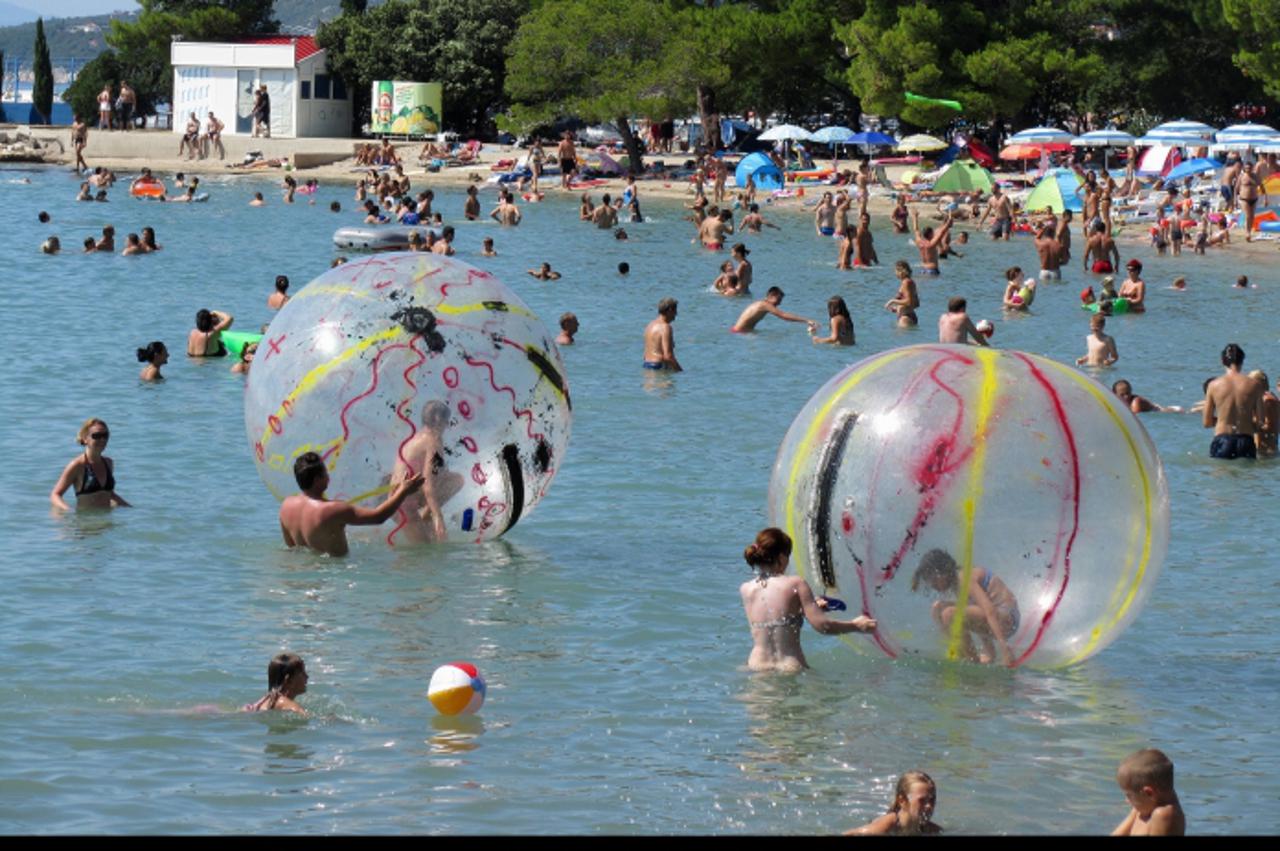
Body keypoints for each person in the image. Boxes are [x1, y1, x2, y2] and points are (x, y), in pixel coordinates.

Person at [739, 527, 876, 672]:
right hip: (789, 667)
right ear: (781, 557)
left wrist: (803, 608)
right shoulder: (795, 583)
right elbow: (823, 626)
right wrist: (856, 625)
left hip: (756, 666)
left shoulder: (746, 589)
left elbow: (772, 619)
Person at [279, 452, 424, 557]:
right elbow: (378, 517)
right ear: (318, 480)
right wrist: (404, 491)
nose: (328, 476)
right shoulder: (332, 510)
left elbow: (292, 549)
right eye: (325, 472)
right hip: (335, 578)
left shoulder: (286, 506)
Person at [911, 548, 1019, 666]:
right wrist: (990, 653)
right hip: (996, 617)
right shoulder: (956, 582)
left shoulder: (963, 578)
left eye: (934, 580)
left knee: (950, 614)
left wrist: (1005, 650)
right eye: (929, 581)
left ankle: (972, 661)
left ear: (944, 572)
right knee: (937, 608)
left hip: (1008, 619)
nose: (933, 585)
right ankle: (962, 654)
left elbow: (989, 610)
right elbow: (974, 613)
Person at [388, 402, 465, 542]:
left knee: (456, 480)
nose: (448, 425)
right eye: (447, 421)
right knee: (424, 550)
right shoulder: (432, 443)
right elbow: (428, 484)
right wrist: (439, 518)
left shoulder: (417, 438)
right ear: (439, 421)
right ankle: (427, 519)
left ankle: (425, 517)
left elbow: (436, 476)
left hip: (397, 498)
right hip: (402, 505)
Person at [50, 418, 131, 510]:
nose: (102, 439)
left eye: (105, 435)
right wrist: (69, 512)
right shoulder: (77, 465)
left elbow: (109, 494)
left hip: (107, 521)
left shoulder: (108, 463)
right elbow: (55, 495)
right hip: (86, 522)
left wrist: (131, 509)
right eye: (97, 436)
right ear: (85, 439)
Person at [1203, 343, 1264, 459]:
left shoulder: (1213, 385)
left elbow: (1207, 422)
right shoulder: (1255, 385)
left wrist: (1224, 420)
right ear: (1242, 361)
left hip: (1222, 440)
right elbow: (1261, 422)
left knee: (1221, 475)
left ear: (1222, 361)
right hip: (1246, 441)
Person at [1111, 749, 1185, 836]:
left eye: (1129, 795)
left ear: (1149, 793)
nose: (1127, 800)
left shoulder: (1163, 815)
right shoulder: (1142, 808)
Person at [845, 771, 941, 836]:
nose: (929, 806)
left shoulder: (932, 830)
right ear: (902, 801)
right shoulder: (884, 827)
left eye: (932, 800)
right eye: (922, 800)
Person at [731, 287, 818, 334]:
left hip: (739, 331)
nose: (779, 304)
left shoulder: (761, 303)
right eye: (778, 300)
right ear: (771, 296)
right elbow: (783, 316)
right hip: (740, 332)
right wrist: (806, 320)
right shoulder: (765, 304)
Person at [244, 653, 309, 715]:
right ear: (288, 680)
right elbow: (306, 717)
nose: (307, 676)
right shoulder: (288, 705)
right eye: (302, 673)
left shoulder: (261, 703)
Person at [643, 298, 682, 371]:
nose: (676, 314)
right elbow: (668, 356)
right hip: (659, 366)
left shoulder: (650, 325)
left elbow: (645, 355)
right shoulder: (665, 327)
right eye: (675, 311)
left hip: (647, 365)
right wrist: (681, 372)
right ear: (670, 310)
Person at [911, 208, 953, 275]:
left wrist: (915, 217)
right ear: (930, 234)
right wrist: (948, 222)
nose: (934, 234)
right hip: (932, 270)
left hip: (923, 270)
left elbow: (916, 230)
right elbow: (942, 232)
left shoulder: (919, 242)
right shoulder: (932, 244)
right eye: (933, 233)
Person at [1112, 380, 1180, 414]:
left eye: (1128, 393)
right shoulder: (1115, 401)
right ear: (1115, 394)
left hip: (1171, 411)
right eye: (1122, 395)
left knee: (1188, 413)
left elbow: (1134, 417)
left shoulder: (1136, 402)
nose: (1126, 397)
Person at [886, 260, 919, 327]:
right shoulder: (910, 282)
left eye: (895, 271)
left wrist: (892, 301)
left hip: (905, 317)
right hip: (908, 315)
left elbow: (909, 302)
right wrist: (897, 308)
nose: (895, 273)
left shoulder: (906, 283)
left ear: (900, 271)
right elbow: (916, 304)